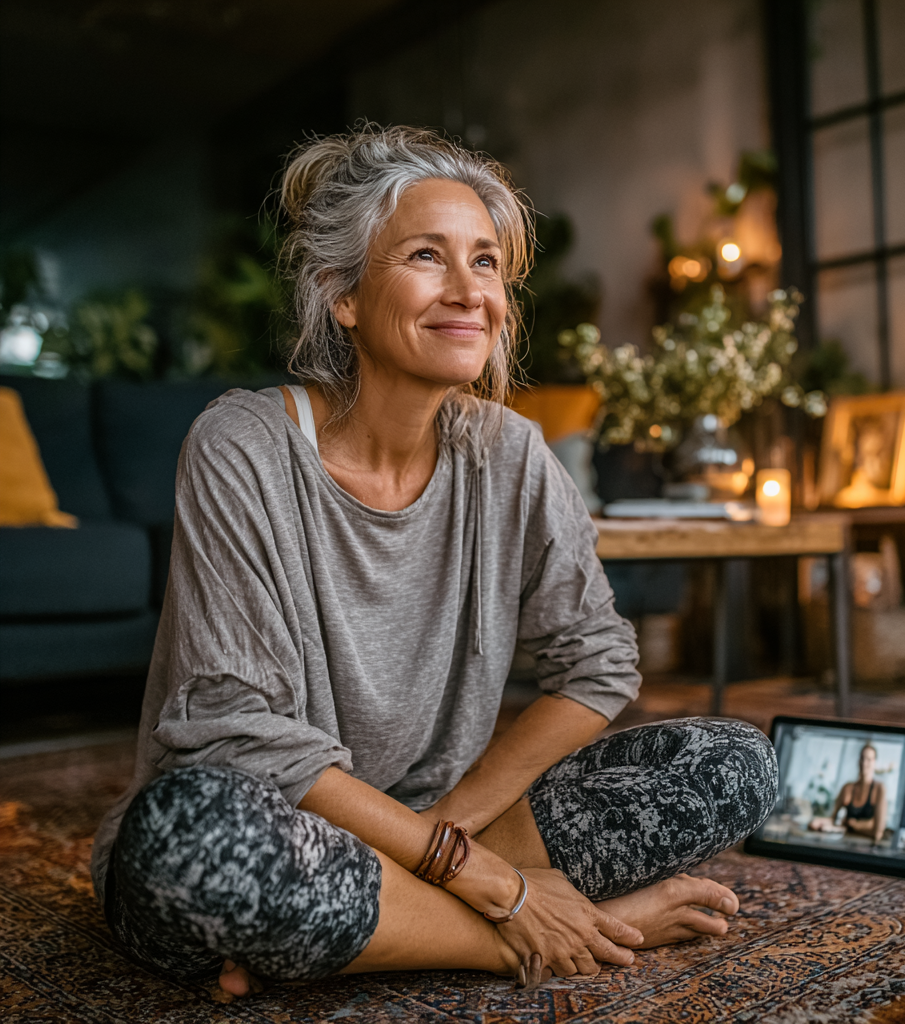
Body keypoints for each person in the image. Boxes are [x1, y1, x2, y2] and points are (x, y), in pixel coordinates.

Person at [90, 125, 778, 998]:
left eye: (486, 263)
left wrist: (441, 841)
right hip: (275, 819)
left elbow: (599, 664)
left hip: (443, 825)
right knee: (186, 846)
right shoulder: (243, 445)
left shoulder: (513, 454)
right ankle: (518, 938)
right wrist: (498, 892)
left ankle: (367, 924)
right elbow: (236, 730)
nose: (468, 291)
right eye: (426, 255)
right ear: (342, 294)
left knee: (733, 766)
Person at [809, 744, 887, 843]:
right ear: (858, 761)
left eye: (869, 759)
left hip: (866, 847)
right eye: (862, 758)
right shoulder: (848, 788)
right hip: (845, 843)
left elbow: (878, 831)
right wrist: (818, 822)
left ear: (875, 762)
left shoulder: (879, 789)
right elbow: (832, 818)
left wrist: (854, 825)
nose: (864, 763)